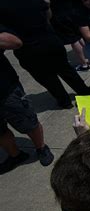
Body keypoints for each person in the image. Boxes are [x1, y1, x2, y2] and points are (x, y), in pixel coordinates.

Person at [0, 0, 90, 109]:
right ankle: (84, 91)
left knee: (46, 77)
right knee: (65, 68)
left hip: (28, 49)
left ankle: (64, 100)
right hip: (50, 40)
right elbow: (47, 14)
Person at [0, 26, 54, 174]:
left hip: (6, 89)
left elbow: (15, 42)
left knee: (29, 122)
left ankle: (41, 148)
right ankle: (15, 155)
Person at [27, 0, 90, 72]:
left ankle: (84, 64)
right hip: (68, 6)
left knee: (72, 39)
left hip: (58, 10)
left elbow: (46, 0)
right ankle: (89, 56)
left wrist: (47, 15)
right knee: (76, 35)